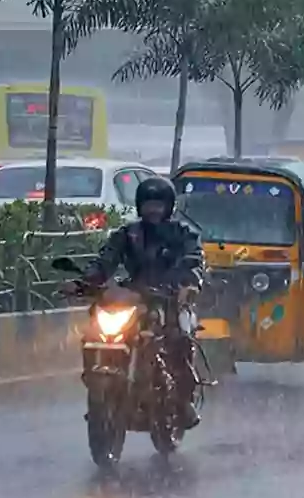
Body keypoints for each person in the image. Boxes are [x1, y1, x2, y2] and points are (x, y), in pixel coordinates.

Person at [60, 177, 206, 429]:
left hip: (169, 296)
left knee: (179, 336)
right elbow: (105, 261)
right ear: (140, 205)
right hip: (135, 295)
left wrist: (187, 284)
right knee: (95, 328)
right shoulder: (127, 234)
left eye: (158, 205)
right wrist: (84, 282)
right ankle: (98, 385)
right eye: (149, 204)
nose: (153, 210)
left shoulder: (183, 234)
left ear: (168, 206)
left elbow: (193, 261)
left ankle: (183, 402)